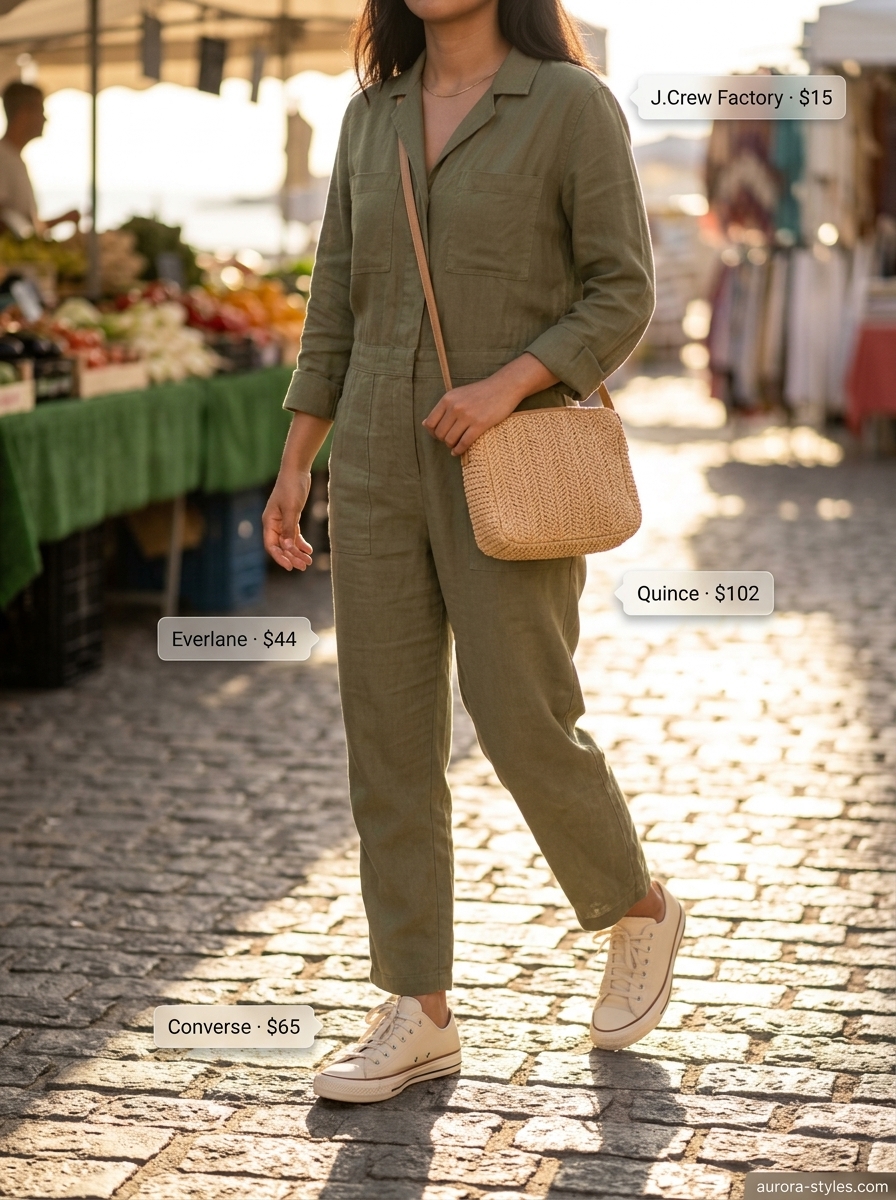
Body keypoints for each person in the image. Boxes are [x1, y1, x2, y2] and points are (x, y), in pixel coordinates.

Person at [263, 0, 687, 1104]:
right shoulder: (372, 118)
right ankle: (418, 1006)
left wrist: (507, 385)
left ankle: (636, 905)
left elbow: (621, 290)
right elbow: (335, 303)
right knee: (387, 737)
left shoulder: (568, 107)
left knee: (519, 713)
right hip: (369, 459)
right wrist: (296, 460)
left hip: (508, 462)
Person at [0, 81, 79, 238]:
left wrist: (61, 219)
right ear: (24, 113)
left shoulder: (14, 159)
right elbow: (8, 225)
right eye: (41, 110)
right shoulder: (3, 160)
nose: (45, 119)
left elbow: (23, 227)